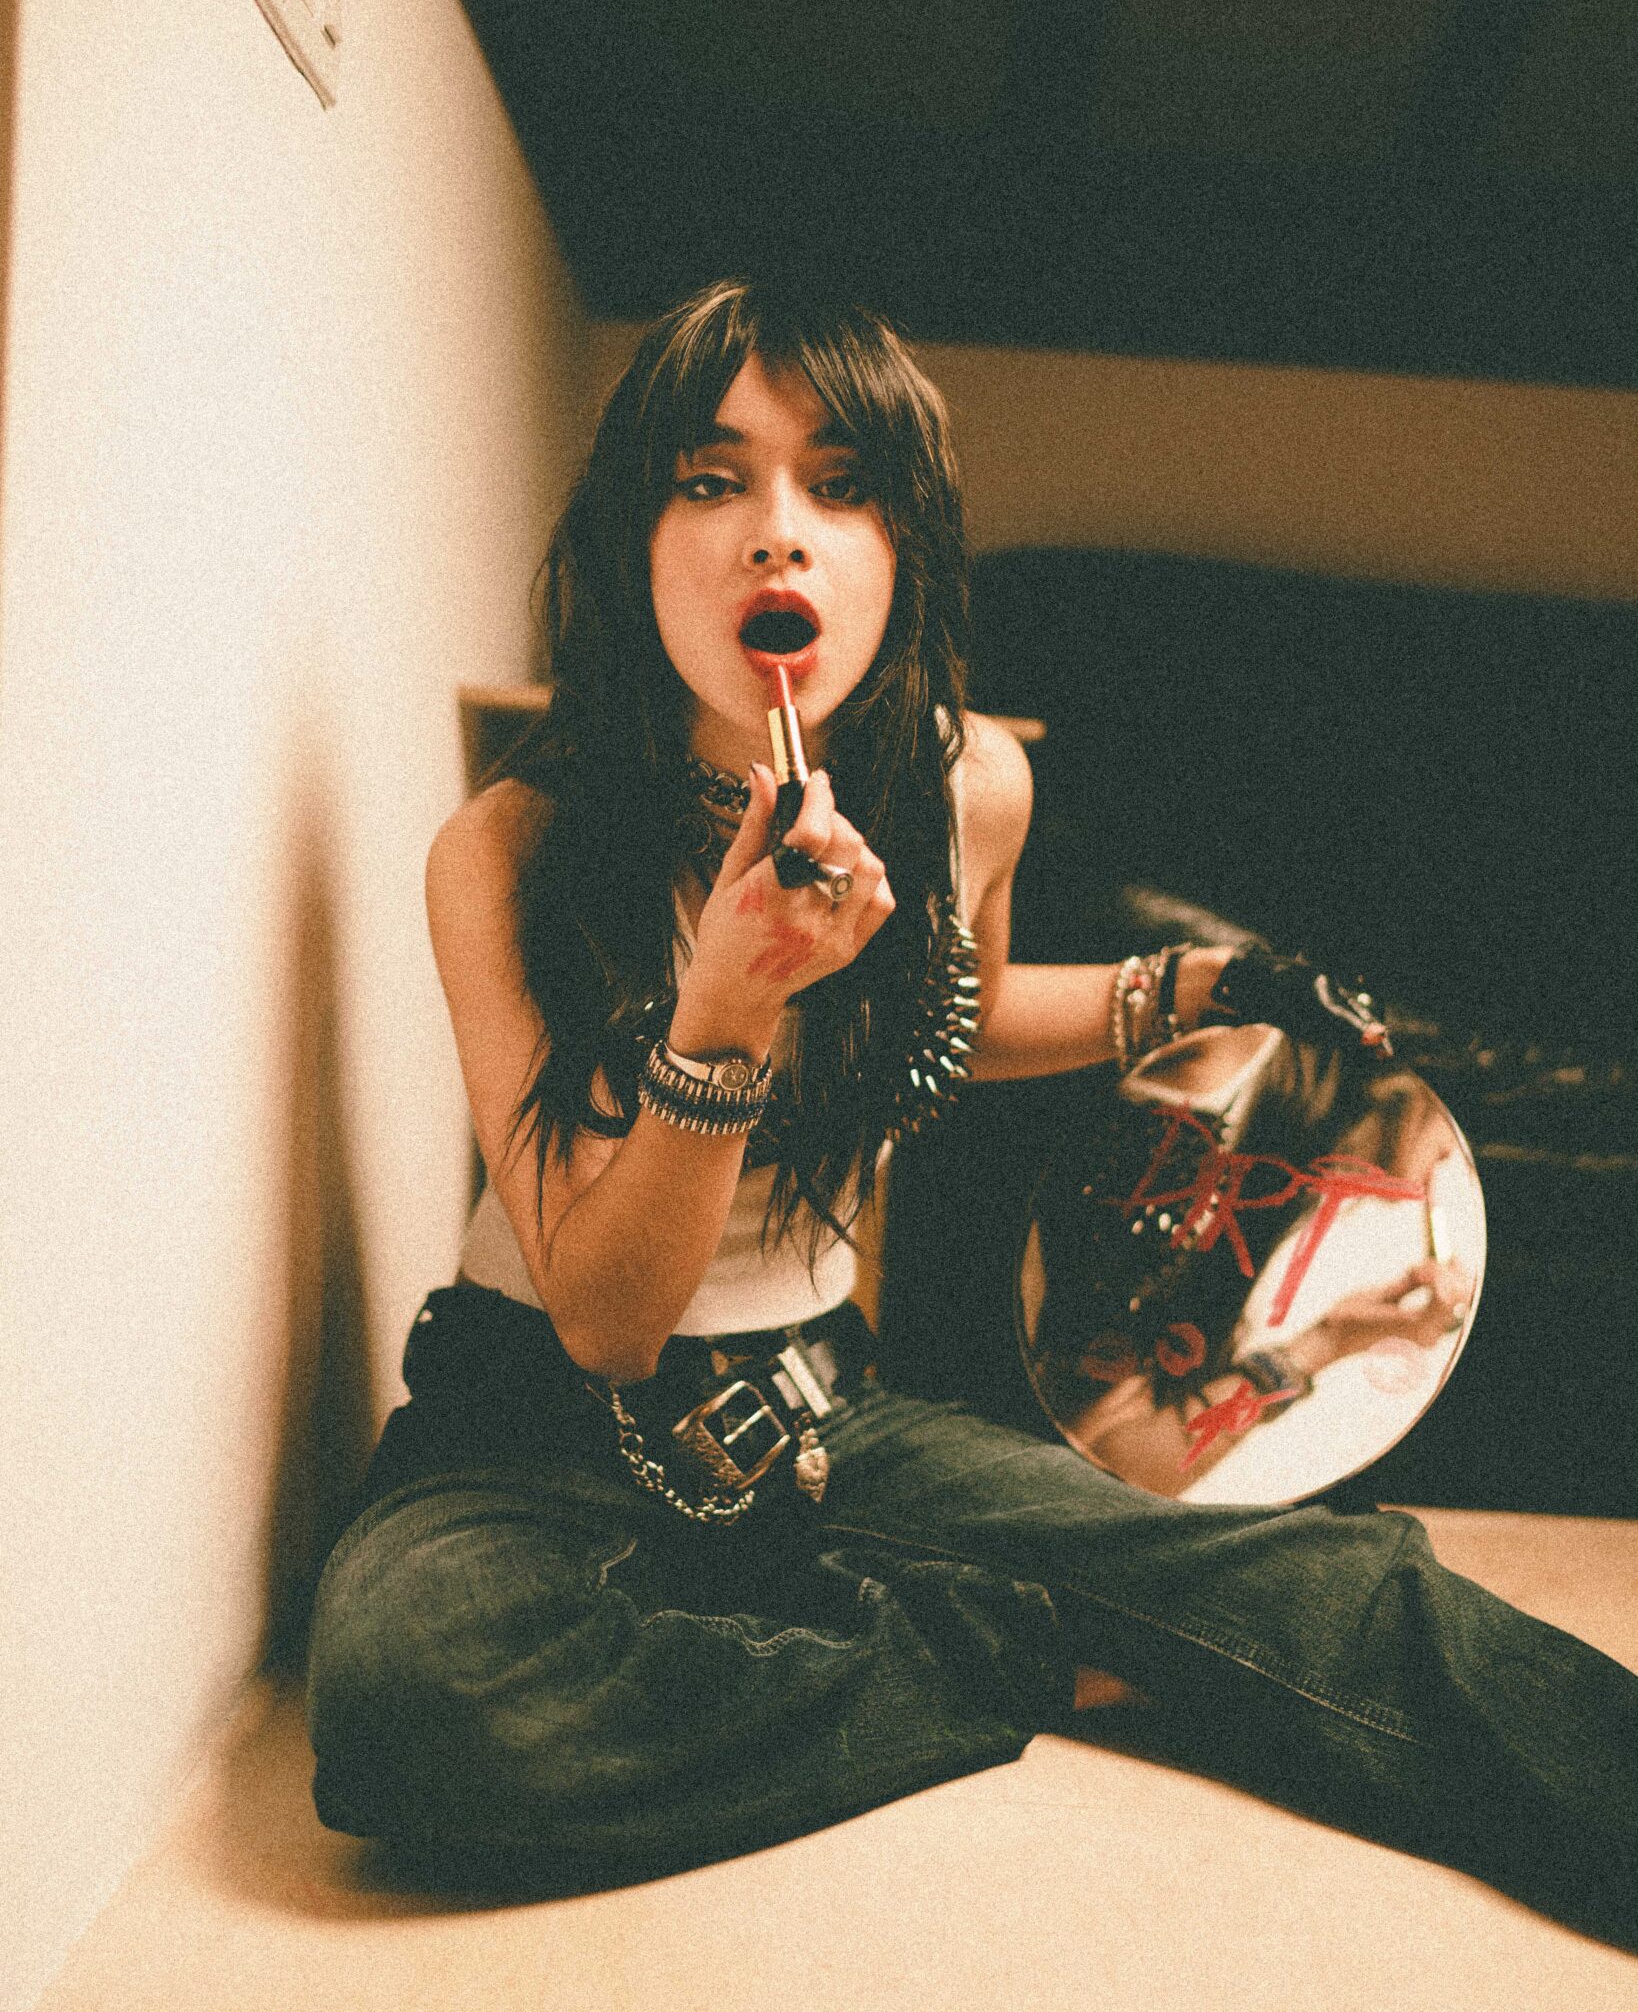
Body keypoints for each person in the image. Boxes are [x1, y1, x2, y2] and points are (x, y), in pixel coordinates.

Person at [304, 279, 1637, 1946]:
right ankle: (1007, 1640)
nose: (776, 532)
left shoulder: (968, 785)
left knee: (1317, 1583)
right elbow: (603, 1318)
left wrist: (1195, 987)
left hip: (816, 1416)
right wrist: (724, 1008)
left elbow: (946, 1017)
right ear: (633, 540)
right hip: (533, 1426)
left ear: (905, 548)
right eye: (710, 480)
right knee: (421, 1698)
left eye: (840, 485)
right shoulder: (505, 850)